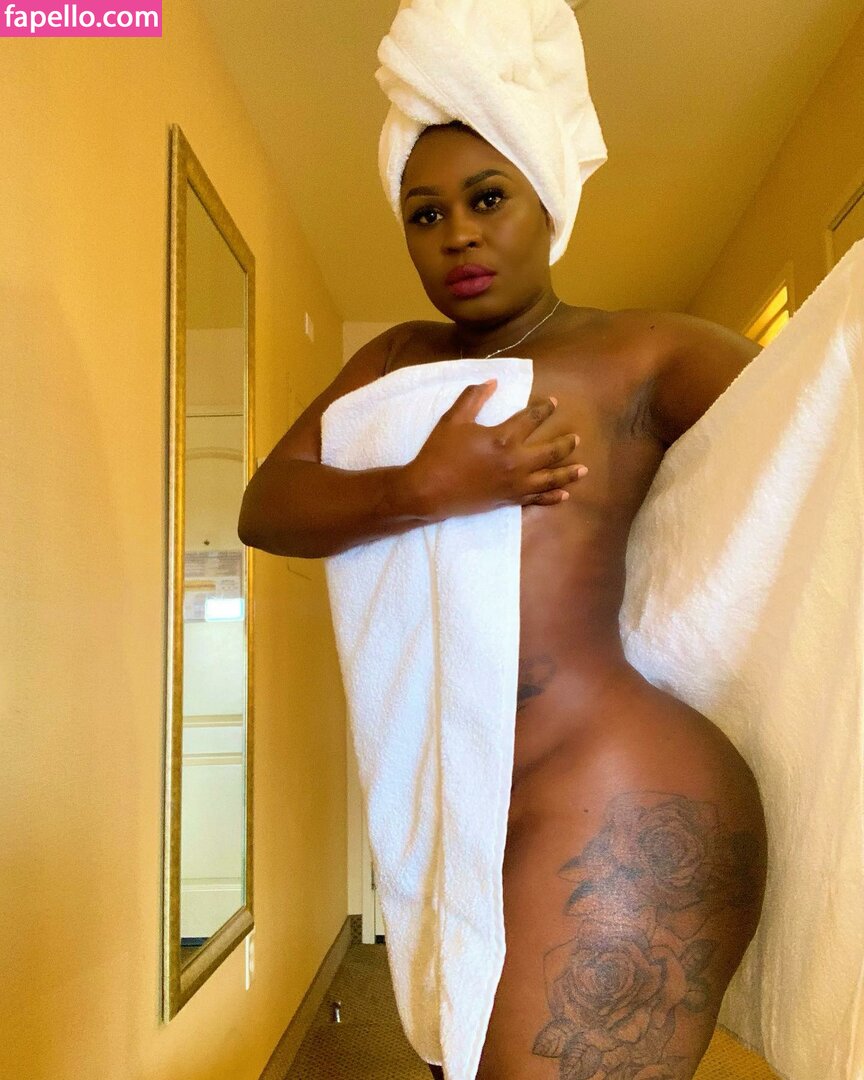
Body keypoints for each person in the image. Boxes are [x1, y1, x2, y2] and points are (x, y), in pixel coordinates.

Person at [238, 118, 767, 1079]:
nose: (459, 234)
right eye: (425, 214)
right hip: (462, 797)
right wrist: (423, 487)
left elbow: (817, 436)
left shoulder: (641, 350)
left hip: (617, 783)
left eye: (488, 198)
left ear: (547, 205)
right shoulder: (394, 360)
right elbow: (267, 506)